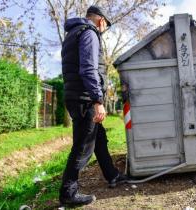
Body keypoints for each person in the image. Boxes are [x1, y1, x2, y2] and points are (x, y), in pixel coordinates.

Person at [60, 5, 128, 206]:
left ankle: (112, 175)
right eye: (106, 25)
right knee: (83, 146)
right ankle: (68, 193)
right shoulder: (89, 33)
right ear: (101, 21)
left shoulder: (73, 33)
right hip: (85, 98)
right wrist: (98, 100)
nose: (105, 29)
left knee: (98, 138)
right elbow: (88, 69)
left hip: (76, 95)